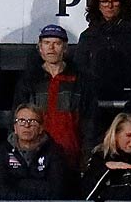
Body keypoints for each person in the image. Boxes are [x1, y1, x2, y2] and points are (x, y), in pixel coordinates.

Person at [12, 24, 94, 167]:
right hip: (35, 152)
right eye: (47, 43)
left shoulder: (80, 80)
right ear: (40, 48)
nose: (51, 48)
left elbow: (90, 120)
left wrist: (87, 154)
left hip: (71, 153)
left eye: (56, 43)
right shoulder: (29, 80)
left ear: (65, 48)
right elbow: (17, 117)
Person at [74, 0, 131, 113]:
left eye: (114, 1)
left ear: (122, 3)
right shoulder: (87, 36)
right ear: (97, 5)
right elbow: (80, 69)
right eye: (105, 1)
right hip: (95, 104)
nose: (109, 6)